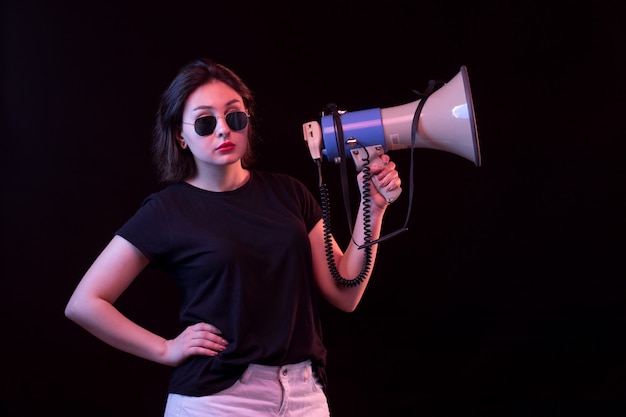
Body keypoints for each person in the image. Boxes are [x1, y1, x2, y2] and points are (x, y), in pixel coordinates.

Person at [64, 57, 402, 416]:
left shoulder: (290, 193)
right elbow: (85, 303)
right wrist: (165, 349)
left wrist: (373, 207)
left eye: (234, 116)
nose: (223, 130)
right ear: (180, 135)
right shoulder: (167, 210)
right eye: (206, 122)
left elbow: (345, 292)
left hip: (304, 396)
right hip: (218, 401)